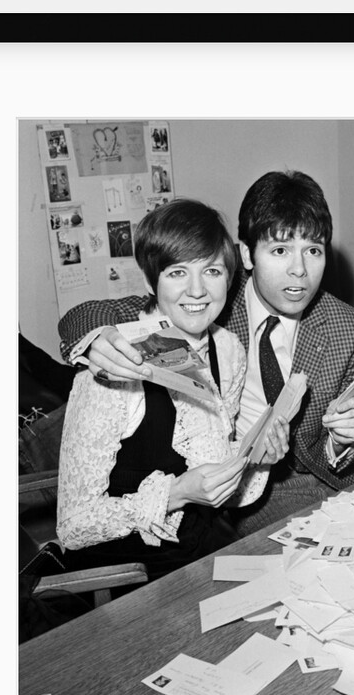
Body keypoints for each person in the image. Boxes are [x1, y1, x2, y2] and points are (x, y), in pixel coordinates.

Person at [57, 170, 354, 535]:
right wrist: (96, 339)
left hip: (333, 473)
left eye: (313, 250)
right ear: (246, 254)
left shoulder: (350, 328)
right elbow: (100, 312)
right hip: (255, 490)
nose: (299, 270)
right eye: (280, 250)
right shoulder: (212, 295)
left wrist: (343, 441)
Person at [56, 199, 289, 577]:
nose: (197, 290)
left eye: (211, 271)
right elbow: (73, 527)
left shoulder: (228, 350)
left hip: (198, 546)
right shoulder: (113, 362)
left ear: (229, 278)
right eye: (178, 272)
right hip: (127, 569)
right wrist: (177, 494)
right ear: (151, 281)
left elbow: (215, 482)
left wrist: (257, 457)